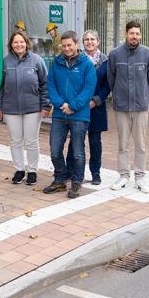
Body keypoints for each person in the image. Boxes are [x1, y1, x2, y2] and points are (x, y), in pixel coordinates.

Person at [106, 19, 149, 193]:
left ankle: (140, 178)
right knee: (122, 144)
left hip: (141, 107)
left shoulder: (148, 54)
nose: (134, 36)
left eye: (137, 33)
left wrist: (142, 94)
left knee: (141, 144)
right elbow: (111, 79)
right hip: (121, 107)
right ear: (125, 34)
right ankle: (123, 176)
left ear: (140, 35)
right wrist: (120, 94)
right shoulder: (114, 54)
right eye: (131, 33)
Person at [0, 30, 48, 186]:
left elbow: (45, 84)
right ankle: (19, 169)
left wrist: (46, 105)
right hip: (11, 109)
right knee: (15, 140)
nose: (19, 45)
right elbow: (0, 87)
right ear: (11, 45)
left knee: (31, 141)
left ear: (26, 43)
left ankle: (32, 171)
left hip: (33, 108)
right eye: (15, 42)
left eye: (21, 42)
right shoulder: (5, 62)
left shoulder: (37, 61)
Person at [45, 31, 96, 198]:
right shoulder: (56, 63)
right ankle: (60, 179)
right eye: (64, 45)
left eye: (69, 45)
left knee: (77, 151)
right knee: (55, 149)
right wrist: (60, 104)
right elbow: (51, 86)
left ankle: (76, 182)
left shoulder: (86, 65)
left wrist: (73, 106)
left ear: (76, 44)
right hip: (60, 114)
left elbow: (88, 89)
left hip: (79, 115)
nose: (66, 48)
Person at [82, 30, 110, 187]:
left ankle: (95, 173)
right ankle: (75, 171)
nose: (89, 42)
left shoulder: (106, 61)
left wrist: (97, 100)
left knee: (95, 141)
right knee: (77, 141)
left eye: (92, 39)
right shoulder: (79, 60)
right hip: (80, 107)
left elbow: (108, 85)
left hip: (97, 107)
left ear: (98, 42)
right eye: (86, 39)